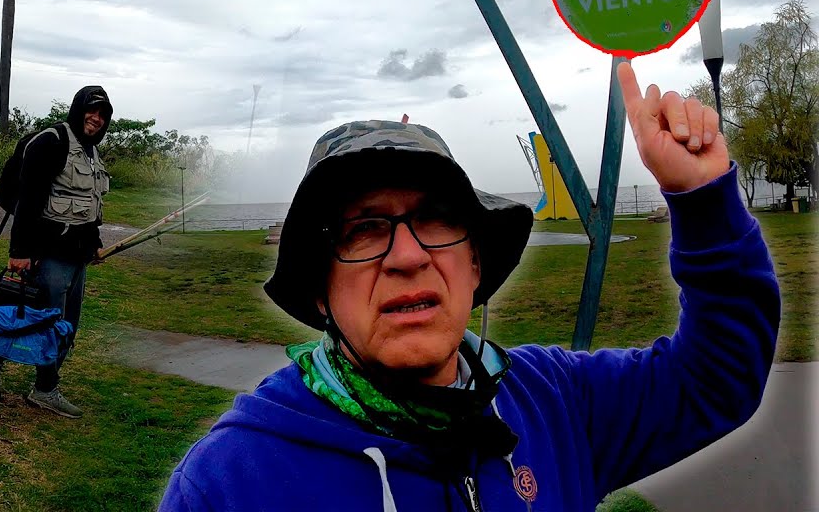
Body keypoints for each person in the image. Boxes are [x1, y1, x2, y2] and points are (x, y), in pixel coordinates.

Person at [160, 61, 780, 511]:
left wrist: (701, 199)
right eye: (364, 229)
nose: (407, 256)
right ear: (321, 290)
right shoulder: (231, 483)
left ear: (476, 265)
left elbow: (716, 378)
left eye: (434, 220)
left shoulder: (555, 402)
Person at [0, 86, 113, 418]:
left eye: (104, 114)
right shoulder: (51, 143)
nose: (97, 118)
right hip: (46, 255)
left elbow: (89, 208)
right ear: (78, 109)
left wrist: (93, 243)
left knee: (65, 328)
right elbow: (29, 200)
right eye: (92, 110)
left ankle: (43, 389)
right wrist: (20, 250)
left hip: (76, 258)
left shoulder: (92, 155)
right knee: (32, 320)